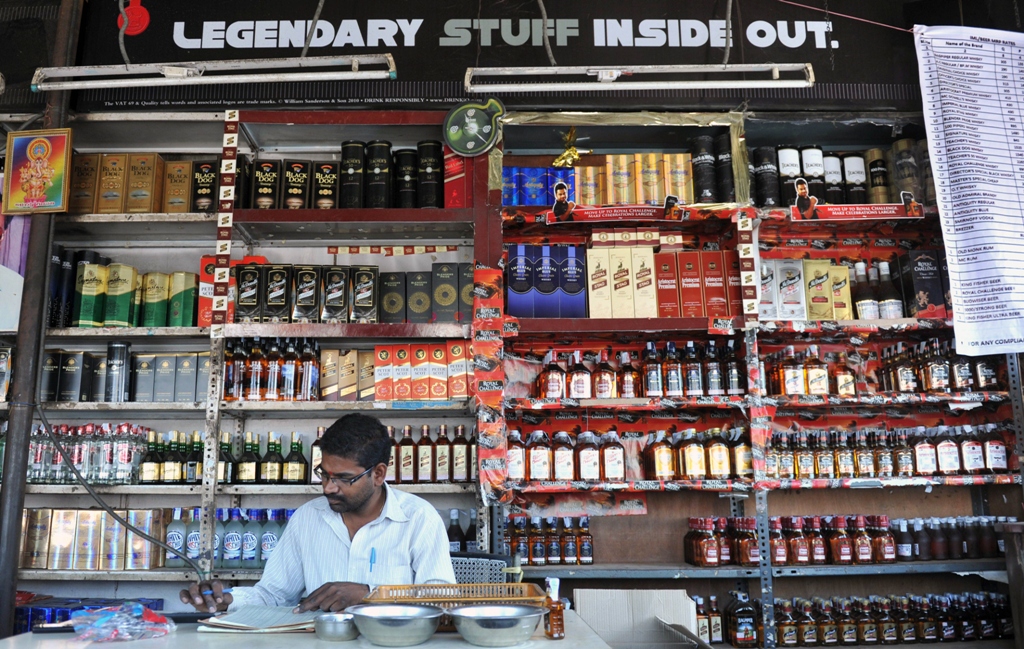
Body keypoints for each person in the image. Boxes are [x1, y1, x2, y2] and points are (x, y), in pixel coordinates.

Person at [180, 414, 456, 614]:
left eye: (344, 479)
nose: (328, 488)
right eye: (324, 474)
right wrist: (226, 598)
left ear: (378, 474)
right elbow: (274, 595)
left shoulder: (419, 519)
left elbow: (442, 601)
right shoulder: (307, 518)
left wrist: (371, 595)